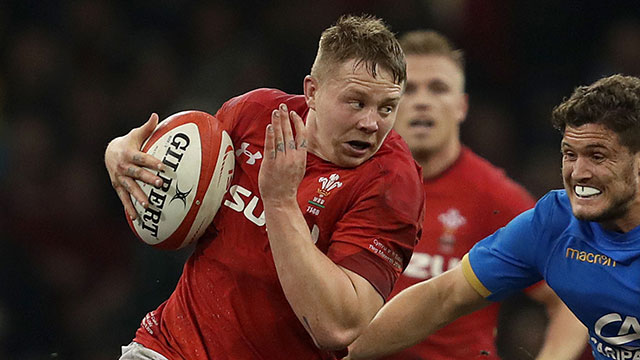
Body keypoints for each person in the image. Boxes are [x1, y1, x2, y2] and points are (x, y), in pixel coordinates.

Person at [105, 15, 425, 360]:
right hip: (167, 348)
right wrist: (119, 153)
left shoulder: (393, 184)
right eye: (356, 103)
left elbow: (335, 327)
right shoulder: (255, 113)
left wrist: (280, 201)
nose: (370, 123)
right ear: (312, 91)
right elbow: (184, 162)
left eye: (387, 108)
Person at [345, 73, 640, 360]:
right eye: (570, 154)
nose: (578, 173)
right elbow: (443, 297)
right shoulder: (554, 223)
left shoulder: (497, 194)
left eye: (597, 156)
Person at [381, 29, 588, 360]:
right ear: (386, 103)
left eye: (438, 88)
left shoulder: (496, 196)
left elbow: (571, 298)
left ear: (462, 106)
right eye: (408, 89)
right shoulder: (354, 182)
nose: (422, 100)